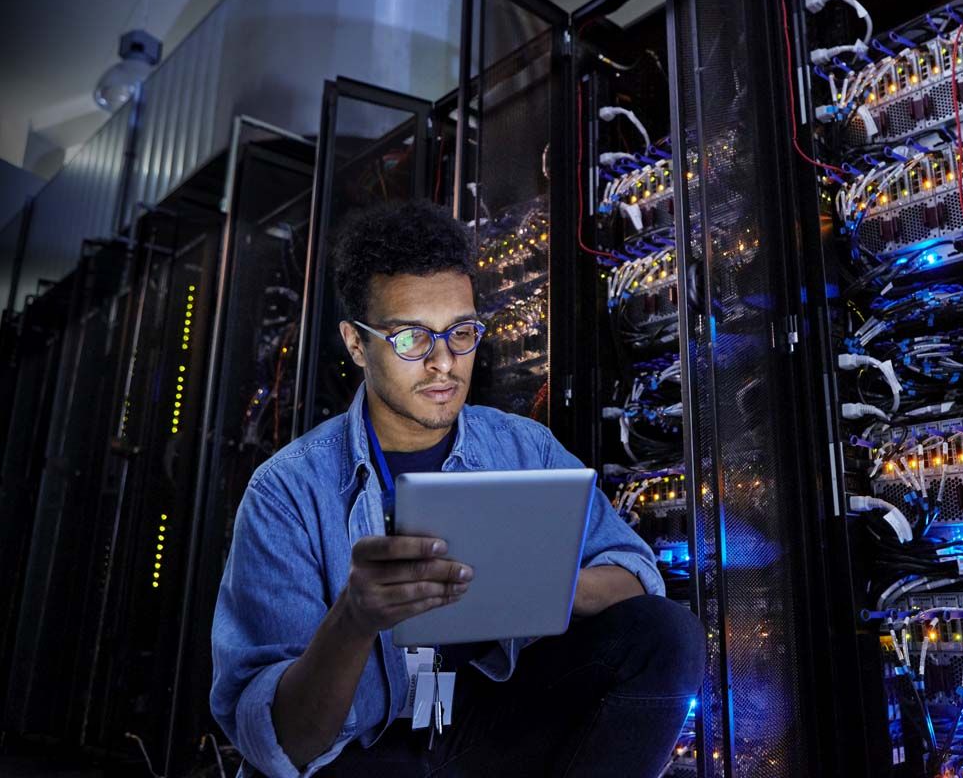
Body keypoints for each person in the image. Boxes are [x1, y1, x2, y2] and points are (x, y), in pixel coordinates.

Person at [210, 200, 705, 777]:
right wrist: (354, 618)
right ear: (355, 343)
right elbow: (284, 742)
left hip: (481, 731)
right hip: (363, 753)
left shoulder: (525, 450)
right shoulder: (287, 492)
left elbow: (633, 573)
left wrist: (535, 582)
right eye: (411, 340)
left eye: (462, 332)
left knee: (665, 634)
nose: (444, 363)